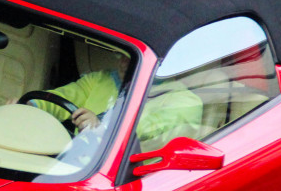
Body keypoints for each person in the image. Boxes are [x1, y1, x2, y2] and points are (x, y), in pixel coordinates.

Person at [28, 54, 202, 145]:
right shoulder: (101, 79)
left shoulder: (186, 102)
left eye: (133, 57)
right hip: (77, 164)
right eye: (121, 54)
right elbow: (65, 96)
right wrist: (31, 107)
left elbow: (145, 131)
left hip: (132, 183)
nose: (123, 62)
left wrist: (102, 127)